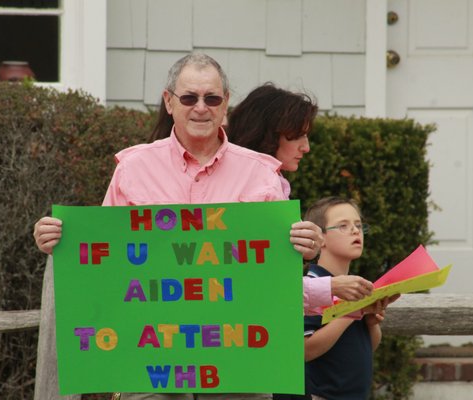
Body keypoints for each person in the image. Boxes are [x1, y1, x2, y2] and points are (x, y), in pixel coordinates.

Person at [33, 52, 323, 400]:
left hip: (239, 364)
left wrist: (307, 245)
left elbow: (278, 273)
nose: (201, 107)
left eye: (211, 98)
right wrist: (59, 240)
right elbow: (105, 262)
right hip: (151, 362)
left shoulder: (262, 173)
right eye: (189, 98)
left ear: (225, 103)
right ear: (169, 102)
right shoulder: (133, 168)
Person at [226, 83, 374, 314]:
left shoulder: (265, 180)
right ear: (268, 135)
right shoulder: (261, 185)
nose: (306, 147)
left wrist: (299, 250)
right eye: (298, 136)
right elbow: (256, 283)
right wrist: (332, 287)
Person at [302, 197, 398, 400]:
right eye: (343, 226)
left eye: (358, 225)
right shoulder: (312, 285)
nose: (355, 231)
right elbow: (305, 350)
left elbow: (366, 347)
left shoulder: (354, 287)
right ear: (320, 238)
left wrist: (371, 324)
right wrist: (349, 313)